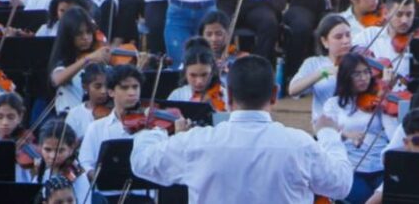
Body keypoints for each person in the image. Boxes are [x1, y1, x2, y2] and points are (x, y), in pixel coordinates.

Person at [131, 55, 354, 203]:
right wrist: (328, 134)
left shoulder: (197, 142)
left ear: (228, 96)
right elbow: (341, 184)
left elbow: (141, 161)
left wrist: (155, 129)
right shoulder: (299, 143)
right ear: (275, 95)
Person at [322, 52, 389, 203]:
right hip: (353, 169)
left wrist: (386, 90)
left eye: (366, 72)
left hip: (381, 167)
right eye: (357, 74)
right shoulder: (333, 104)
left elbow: (392, 132)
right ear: (346, 76)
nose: (364, 78)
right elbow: (325, 137)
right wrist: (346, 134)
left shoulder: (379, 100)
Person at [78, 65, 143, 177]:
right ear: (111, 92)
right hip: (106, 193)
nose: (132, 92)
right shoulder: (95, 127)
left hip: (144, 192)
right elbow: (85, 163)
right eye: (124, 87)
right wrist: (100, 176)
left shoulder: (150, 127)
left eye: (135, 87)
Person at [168, 37, 226, 110]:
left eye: (204, 74)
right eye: (193, 75)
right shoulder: (177, 96)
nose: (199, 81)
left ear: (212, 71)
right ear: (185, 73)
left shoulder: (224, 95)